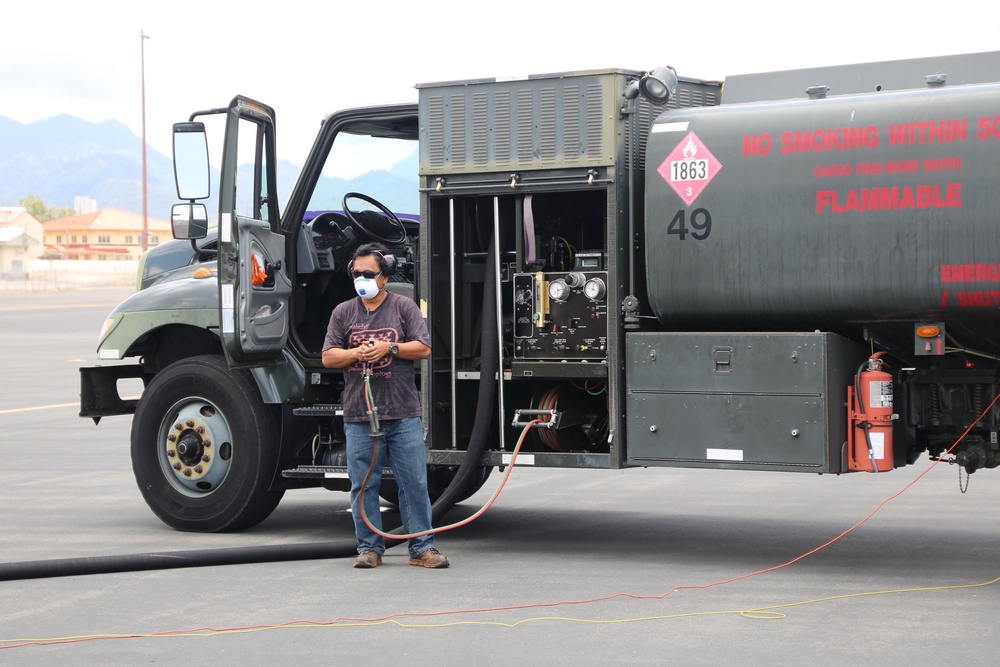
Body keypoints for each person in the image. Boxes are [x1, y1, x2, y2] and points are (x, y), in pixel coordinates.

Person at [322, 243, 449, 569]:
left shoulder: (404, 307)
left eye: (368, 273)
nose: (361, 279)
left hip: (402, 412)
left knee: (414, 484)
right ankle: (369, 548)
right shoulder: (343, 312)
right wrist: (356, 354)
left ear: (385, 276)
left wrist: (388, 348)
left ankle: (422, 548)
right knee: (363, 484)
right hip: (359, 414)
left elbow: (423, 348)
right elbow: (328, 356)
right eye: (356, 273)